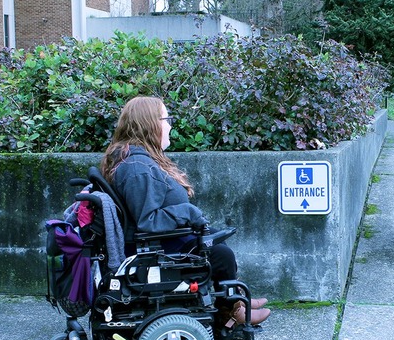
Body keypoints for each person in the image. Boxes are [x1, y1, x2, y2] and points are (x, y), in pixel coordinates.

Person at [100, 96, 270, 326]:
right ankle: (231, 312)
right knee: (221, 255)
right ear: (149, 123)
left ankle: (234, 301)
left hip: (163, 241)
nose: (170, 125)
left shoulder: (136, 160)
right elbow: (147, 221)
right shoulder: (137, 169)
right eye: (166, 119)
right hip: (154, 249)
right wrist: (188, 213)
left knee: (217, 239)